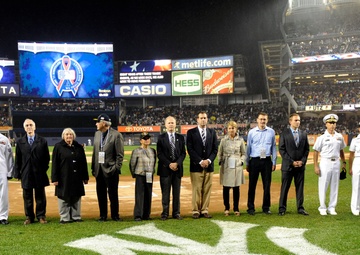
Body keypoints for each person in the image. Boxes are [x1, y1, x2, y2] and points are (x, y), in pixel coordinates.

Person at [14, 119, 50, 225]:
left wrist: (43, 170)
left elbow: (46, 158)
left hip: (39, 172)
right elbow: (18, 159)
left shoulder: (42, 141)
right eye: (27, 125)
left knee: (40, 196)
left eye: (31, 125)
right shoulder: (20, 142)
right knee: (27, 197)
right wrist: (17, 173)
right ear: (24, 128)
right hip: (26, 173)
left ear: (35, 127)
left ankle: (41, 216)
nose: (29, 127)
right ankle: (29, 217)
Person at [51, 128, 89, 224]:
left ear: (73, 136)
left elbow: (83, 163)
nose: (69, 136)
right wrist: (54, 178)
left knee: (76, 196)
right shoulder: (58, 147)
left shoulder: (79, 147)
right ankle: (65, 217)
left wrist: (85, 177)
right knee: (64, 197)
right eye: (67, 134)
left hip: (77, 177)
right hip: (64, 177)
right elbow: (55, 163)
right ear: (63, 136)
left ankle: (76, 216)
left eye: (71, 134)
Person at [91, 113, 124, 222]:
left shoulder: (116, 135)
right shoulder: (97, 134)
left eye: (98, 122)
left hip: (111, 170)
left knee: (113, 194)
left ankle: (115, 215)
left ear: (103, 123)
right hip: (99, 170)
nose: (96, 124)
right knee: (100, 194)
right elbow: (95, 152)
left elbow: (120, 155)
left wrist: (115, 168)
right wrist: (93, 168)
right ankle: (103, 215)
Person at [186, 111, 218, 219]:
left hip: (209, 167)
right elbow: (190, 149)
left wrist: (208, 160)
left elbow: (215, 149)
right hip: (196, 166)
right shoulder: (191, 133)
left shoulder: (212, 132)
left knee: (207, 189)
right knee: (196, 189)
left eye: (205, 118)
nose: (203, 119)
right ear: (197, 119)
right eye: (201, 118)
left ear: (207, 119)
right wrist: (200, 161)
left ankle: (204, 210)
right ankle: (195, 211)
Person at [313, 113, 346, 216]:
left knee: (334, 185)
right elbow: (315, 151)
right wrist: (315, 165)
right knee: (323, 185)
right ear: (326, 124)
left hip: (336, 162)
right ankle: (322, 207)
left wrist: (344, 162)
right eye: (330, 123)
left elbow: (341, 150)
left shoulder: (339, 136)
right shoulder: (321, 137)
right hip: (325, 162)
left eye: (334, 123)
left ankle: (332, 207)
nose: (332, 125)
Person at [278, 113, 310, 216]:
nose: (298, 122)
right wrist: (291, 161)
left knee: (300, 188)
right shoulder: (284, 134)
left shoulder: (303, 134)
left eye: (299, 120)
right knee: (285, 188)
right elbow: (282, 150)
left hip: (300, 166)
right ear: (290, 121)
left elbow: (306, 150)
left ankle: (300, 208)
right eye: (295, 120)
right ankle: (282, 208)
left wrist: (302, 161)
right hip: (288, 166)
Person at [246, 112, 277, 215]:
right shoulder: (251, 132)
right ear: (257, 120)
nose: (262, 121)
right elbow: (248, 147)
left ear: (267, 120)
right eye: (261, 119)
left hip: (267, 161)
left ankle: (266, 207)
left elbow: (273, 147)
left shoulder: (271, 132)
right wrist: (247, 162)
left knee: (267, 185)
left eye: (264, 119)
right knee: (252, 185)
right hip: (254, 160)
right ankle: (250, 208)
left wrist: (274, 161)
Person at [157, 116, 186, 220]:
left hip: (177, 170)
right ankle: (165, 213)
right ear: (165, 125)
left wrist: (177, 163)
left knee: (176, 193)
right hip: (165, 169)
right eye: (169, 123)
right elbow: (159, 154)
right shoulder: (161, 138)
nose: (170, 125)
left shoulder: (181, 137)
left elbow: (183, 153)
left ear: (175, 124)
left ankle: (176, 213)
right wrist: (169, 164)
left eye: (172, 123)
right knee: (165, 193)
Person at [217, 120, 246, 216]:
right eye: (229, 128)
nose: (231, 130)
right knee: (226, 187)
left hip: (237, 165)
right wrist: (220, 161)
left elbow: (244, 153)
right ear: (227, 129)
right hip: (226, 165)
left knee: (236, 187)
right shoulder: (223, 140)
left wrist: (241, 161)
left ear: (236, 129)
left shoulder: (240, 140)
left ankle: (236, 208)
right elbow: (219, 152)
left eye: (233, 128)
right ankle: (226, 208)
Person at [129, 132, 156, 221]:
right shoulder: (136, 151)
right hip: (140, 175)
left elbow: (154, 162)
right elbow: (132, 164)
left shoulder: (152, 151)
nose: (147, 140)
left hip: (149, 175)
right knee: (140, 195)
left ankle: (146, 214)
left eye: (148, 138)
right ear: (141, 140)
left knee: (148, 195)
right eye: (144, 138)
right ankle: (138, 215)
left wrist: (152, 172)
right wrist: (134, 174)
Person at [0, 133, 14, 225]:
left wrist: (10, 172)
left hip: (2, 169)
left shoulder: (4, 139)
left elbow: (9, 156)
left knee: (3, 194)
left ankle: (3, 216)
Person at [349, 122, 360, 216]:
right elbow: (351, 155)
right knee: (356, 185)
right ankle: (354, 208)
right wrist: (350, 167)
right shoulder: (355, 140)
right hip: (358, 161)